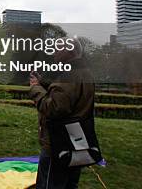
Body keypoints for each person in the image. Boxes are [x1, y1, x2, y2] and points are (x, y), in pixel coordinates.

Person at [29, 38, 95, 189]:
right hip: (77, 140)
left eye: (58, 49)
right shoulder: (85, 72)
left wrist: (34, 88)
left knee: (48, 184)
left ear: (69, 52)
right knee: (70, 184)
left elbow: (54, 108)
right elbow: (67, 96)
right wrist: (43, 84)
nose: (54, 53)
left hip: (58, 143)